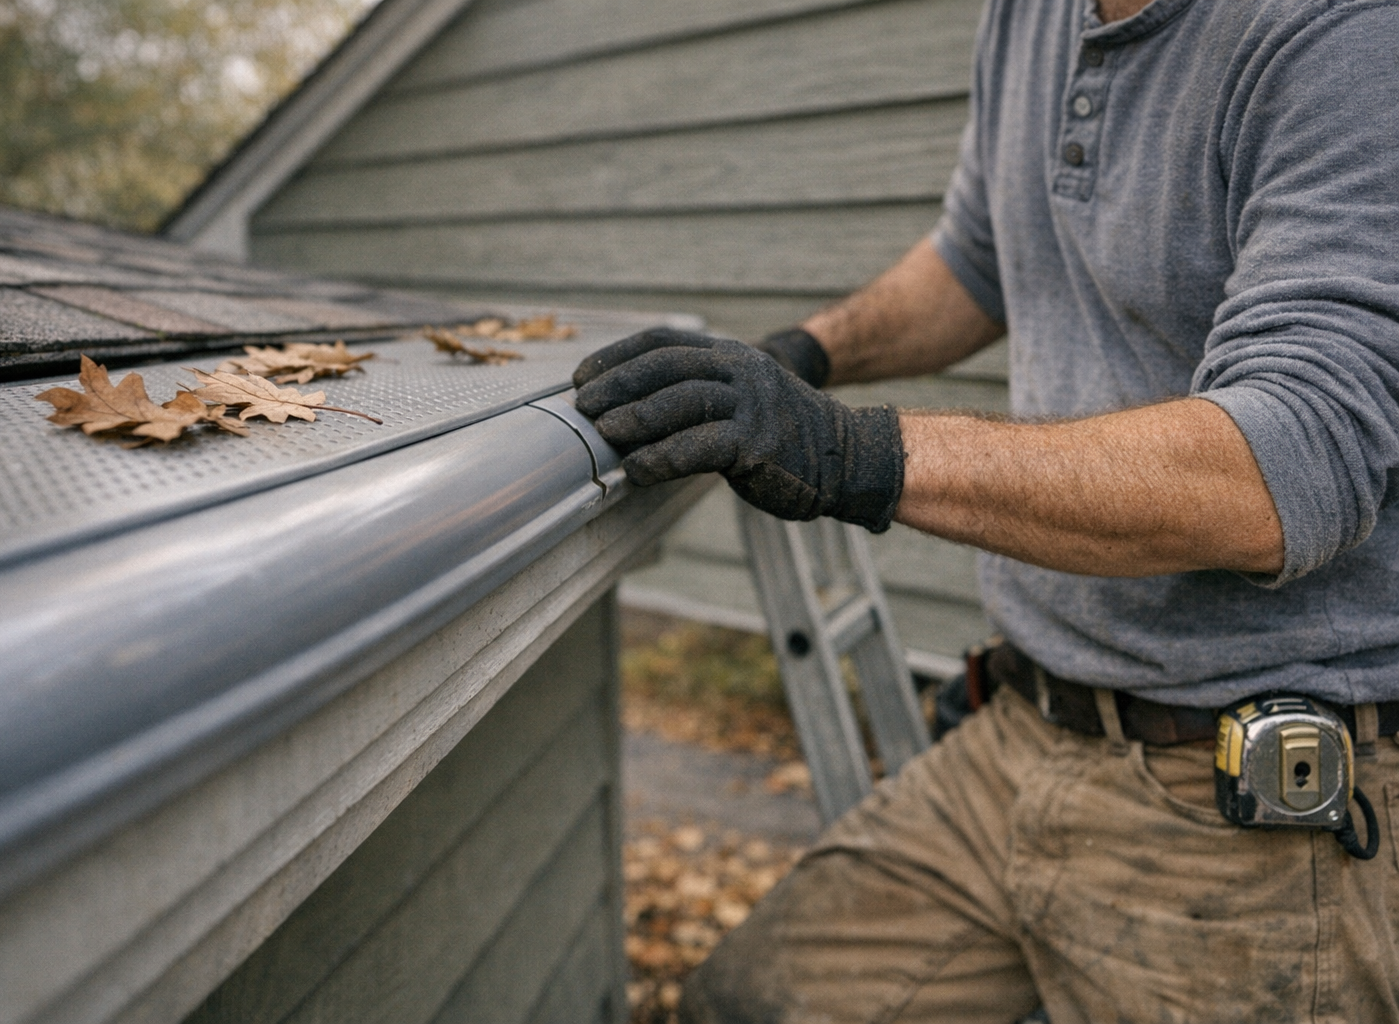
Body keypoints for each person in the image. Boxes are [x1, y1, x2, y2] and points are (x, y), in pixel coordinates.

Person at [570, 0, 1399, 1014]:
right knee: (749, 1000)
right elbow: (977, 256)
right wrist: (805, 353)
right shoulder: (1031, 16)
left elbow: (1291, 457)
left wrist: (848, 451)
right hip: (1024, 731)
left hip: (1241, 815)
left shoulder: (1344, 36)